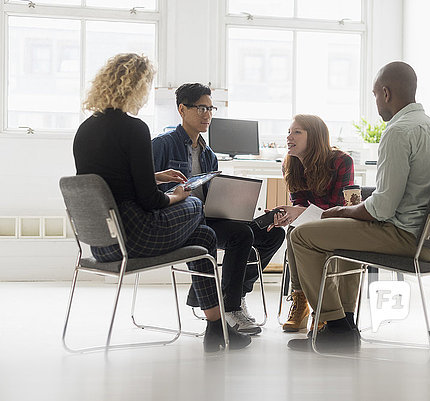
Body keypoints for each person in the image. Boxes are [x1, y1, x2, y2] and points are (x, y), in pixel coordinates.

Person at [72, 53, 251, 352]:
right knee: (194, 205)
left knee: (205, 236)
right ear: (137, 86)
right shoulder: (134, 128)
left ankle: (216, 328)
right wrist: (176, 195)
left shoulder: (86, 129)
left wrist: (153, 175)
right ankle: (218, 324)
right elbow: (149, 201)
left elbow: (111, 183)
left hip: (103, 242)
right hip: (136, 236)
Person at [287, 61, 430, 352]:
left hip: (407, 237)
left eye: (375, 94)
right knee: (346, 231)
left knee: (301, 236)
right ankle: (347, 322)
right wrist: (353, 213)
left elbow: (382, 209)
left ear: (386, 93)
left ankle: (335, 326)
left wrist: (341, 211)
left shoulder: (398, 131)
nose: (376, 101)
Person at [152, 83, 286, 335]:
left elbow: (212, 195)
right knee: (241, 235)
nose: (207, 114)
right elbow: (148, 188)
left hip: (208, 217)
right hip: (180, 219)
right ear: (182, 109)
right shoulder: (162, 145)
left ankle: (233, 295)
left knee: (272, 233)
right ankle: (230, 307)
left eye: (210, 108)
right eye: (201, 108)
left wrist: (239, 207)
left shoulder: (208, 154)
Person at [269, 114, 354, 332]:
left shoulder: (341, 161)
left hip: (338, 221)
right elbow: (298, 202)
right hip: (311, 223)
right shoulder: (291, 164)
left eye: (297, 132)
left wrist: (298, 212)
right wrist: (286, 215)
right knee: (293, 230)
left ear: (314, 136)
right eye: (289, 131)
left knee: (299, 231)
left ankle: (320, 308)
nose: (289, 137)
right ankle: (301, 302)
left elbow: (338, 208)